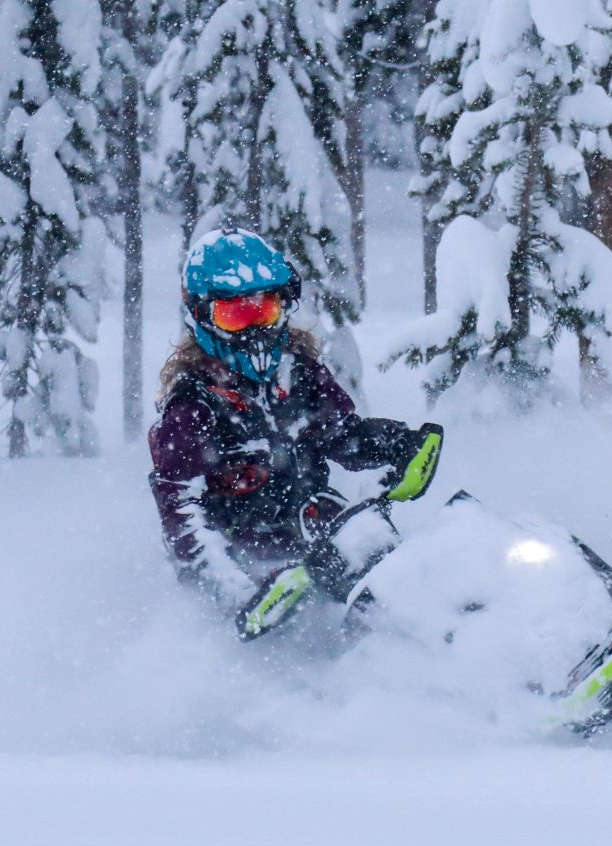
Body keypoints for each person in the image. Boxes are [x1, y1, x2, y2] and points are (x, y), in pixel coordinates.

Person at [148, 228, 442, 639]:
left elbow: (341, 435)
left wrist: (393, 444)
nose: (253, 329)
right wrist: (234, 591)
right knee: (334, 620)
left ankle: (458, 632)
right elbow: (182, 513)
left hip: (322, 532)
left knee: (397, 570)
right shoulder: (191, 407)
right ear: (201, 316)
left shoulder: (298, 372)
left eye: (264, 310)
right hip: (252, 567)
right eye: (236, 315)